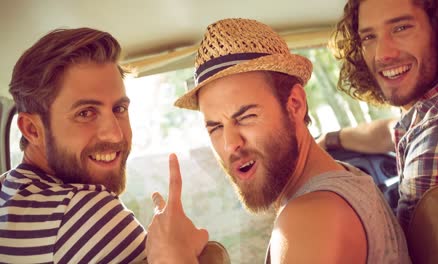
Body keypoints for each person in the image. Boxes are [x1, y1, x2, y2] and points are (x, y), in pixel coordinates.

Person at [147, 18, 411, 263]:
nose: (230, 144)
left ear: (295, 105)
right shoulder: (341, 181)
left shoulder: (311, 218)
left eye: (246, 116)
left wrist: (175, 258)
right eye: (215, 127)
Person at [0, 27, 208, 263]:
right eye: (86, 113)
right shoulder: (84, 213)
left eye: (119, 109)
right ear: (32, 129)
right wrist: (178, 255)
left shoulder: (8, 191)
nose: (115, 134)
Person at [322, 0, 438, 232]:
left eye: (401, 28)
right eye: (369, 37)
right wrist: (329, 139)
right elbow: (390, 130)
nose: (383, 54)